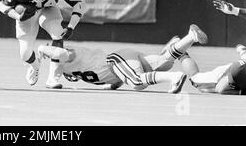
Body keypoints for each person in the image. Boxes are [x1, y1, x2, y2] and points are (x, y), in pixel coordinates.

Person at [37, 24, 208, 93]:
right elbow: (117, 79)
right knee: (164, 63)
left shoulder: (68, 54)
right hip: (122, 61)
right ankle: (190, 37)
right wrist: (110, 87)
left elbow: (61, 54)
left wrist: (42, 49)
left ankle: (174, 78)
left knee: (136, 83)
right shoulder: (81, 72)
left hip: (116, 60)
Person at [0, 0, 85, 88]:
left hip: (49, 8)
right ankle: (35, 65)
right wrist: (18, 16)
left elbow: (79, 4)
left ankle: (52, 79)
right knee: (24, 53)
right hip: (27, 11)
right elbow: (1, 4)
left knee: (58, 34)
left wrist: (70, 27)